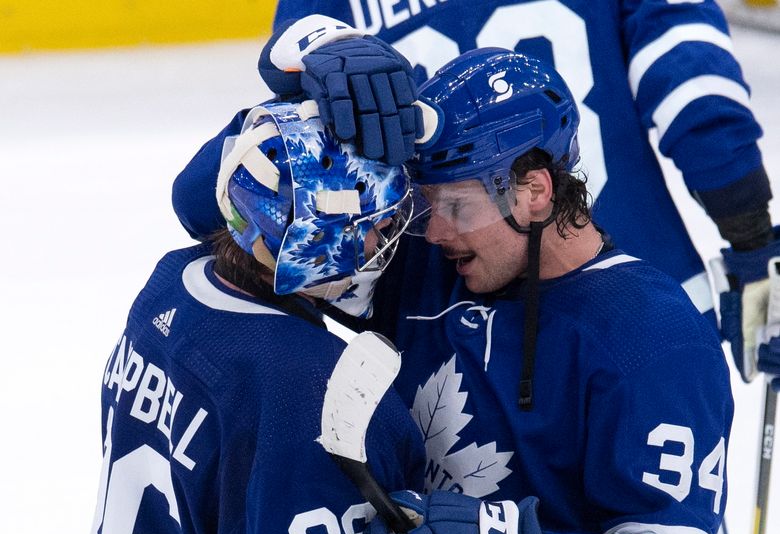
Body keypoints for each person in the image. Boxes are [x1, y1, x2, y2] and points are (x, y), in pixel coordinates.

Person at [172, 3, 780, 389]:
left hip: (437, 325)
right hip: (638, 306)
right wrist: (750, 232)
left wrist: (302, 55)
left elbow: (275, 175)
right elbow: (694, 84)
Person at [358, 47, 734, 534]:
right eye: (429, 206)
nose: (435, 233)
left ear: (533, 192)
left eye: (455, 206)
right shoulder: (420, 264)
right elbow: (234, 251)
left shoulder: (654, 340)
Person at [88, 101, 424, 534]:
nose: (380, 240)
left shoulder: (170, 283)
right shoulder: (324, 395)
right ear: (316, 240)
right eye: (372, 224)